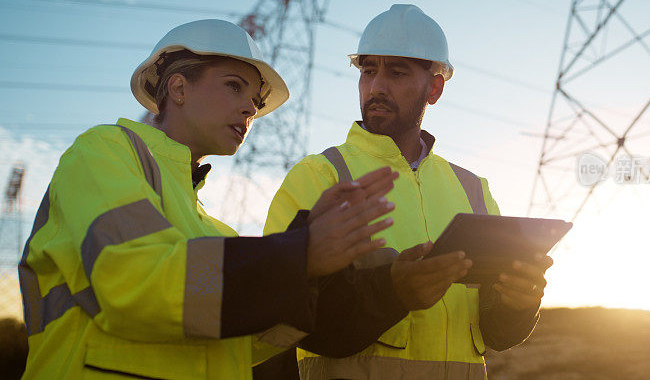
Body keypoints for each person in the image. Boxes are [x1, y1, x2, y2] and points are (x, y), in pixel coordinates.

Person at [17, 19, 397, 379]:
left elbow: (241, 347)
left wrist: (315, 275)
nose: (251, 108)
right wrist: (299, 253)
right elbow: (134, 281)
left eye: (256, 98)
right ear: (179, 89)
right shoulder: (104, 151)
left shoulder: (217, 231)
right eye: (235, 86)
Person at [263, 4, 554, 379]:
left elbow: (496, 333)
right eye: (368, 71)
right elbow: (278, 316)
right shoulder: (320, 176)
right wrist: (392, 293)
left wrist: (520, 303)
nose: (377, 86)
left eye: (397, 72)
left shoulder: (473, 190)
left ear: (434, 88)